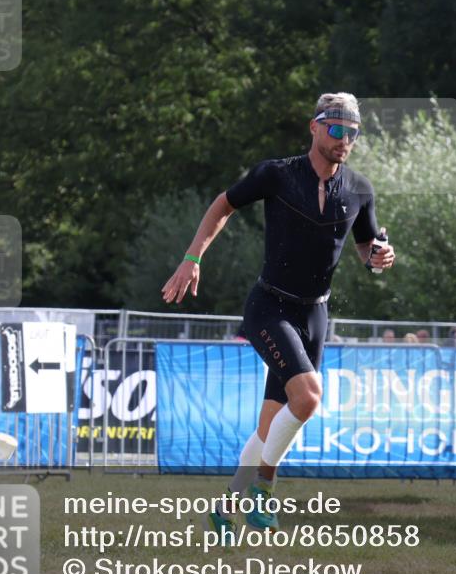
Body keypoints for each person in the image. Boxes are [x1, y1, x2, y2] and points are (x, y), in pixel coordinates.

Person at [161, 92, 395, 536]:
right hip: (270, 306)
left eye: (353, 132)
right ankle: (263, 491)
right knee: (308, 398)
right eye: (337, 129)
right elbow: (223, 204)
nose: (345, 139)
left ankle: (226, 506)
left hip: (316, 315)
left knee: (271, 425)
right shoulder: (277, 174)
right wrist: (192, 258)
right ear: (315, 126)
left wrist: (378, 257)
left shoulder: (360, 189)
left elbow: (366, 245)